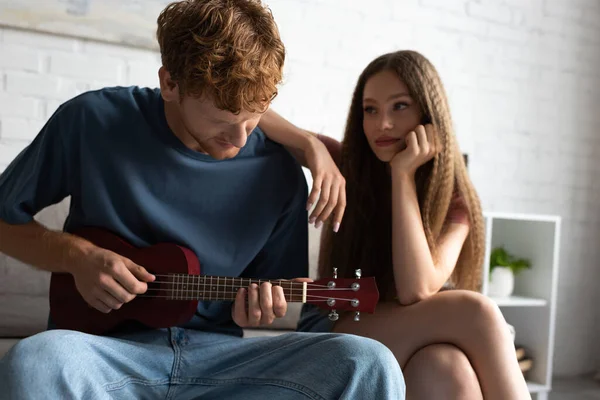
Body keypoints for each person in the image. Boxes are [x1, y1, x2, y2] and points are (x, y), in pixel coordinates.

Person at [0, 1, 405, 399]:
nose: (242, 139)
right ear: (170, 84)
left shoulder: (278, 171)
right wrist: (77, 257)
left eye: (254, 118)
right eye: (223, 123)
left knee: (368, 362)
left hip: (220, 361)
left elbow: (270, 291)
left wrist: (255, 310)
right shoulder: (91, 122)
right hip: (103, 354)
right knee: (34, 360)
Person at [296, 50, 532, 400]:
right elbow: (254, 112)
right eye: (370, 109)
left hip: (410, 335)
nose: (383, 124)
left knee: (445, 367)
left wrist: (402, 174)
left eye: (400, 106)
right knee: (478, 312)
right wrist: (311, 147)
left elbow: (415, 289)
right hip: (336, 322)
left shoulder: (457, 202)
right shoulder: (348, 165)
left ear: (428, 114)